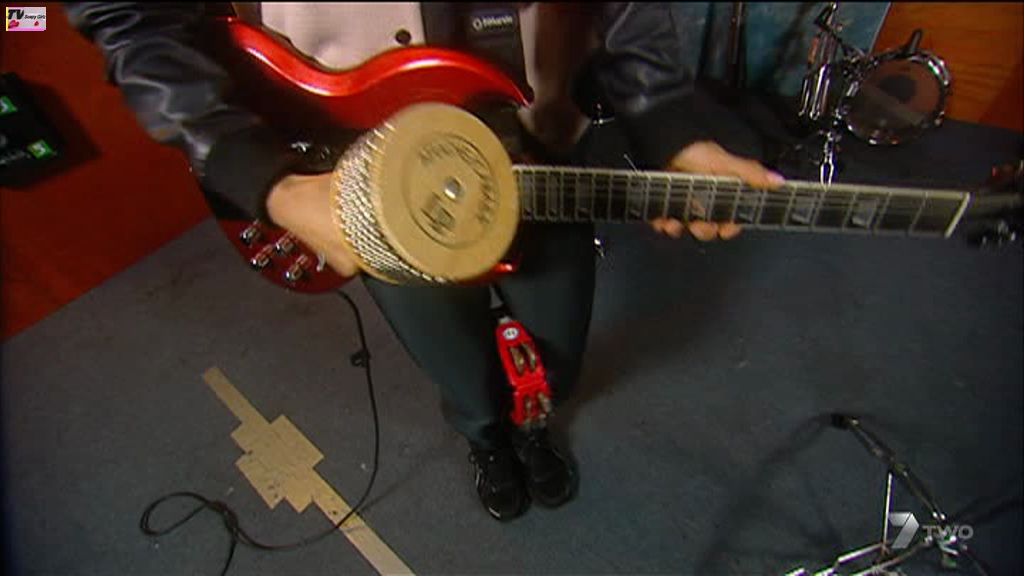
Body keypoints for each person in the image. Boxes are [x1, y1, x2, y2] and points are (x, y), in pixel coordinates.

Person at [64, 2, 785, 521]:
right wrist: (260, 175)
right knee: (454, 360)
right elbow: (130, 14)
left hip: (536, 150)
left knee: (558, 354)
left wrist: (665, 114)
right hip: (360, 172)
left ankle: (533, 428)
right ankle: (485, 438)